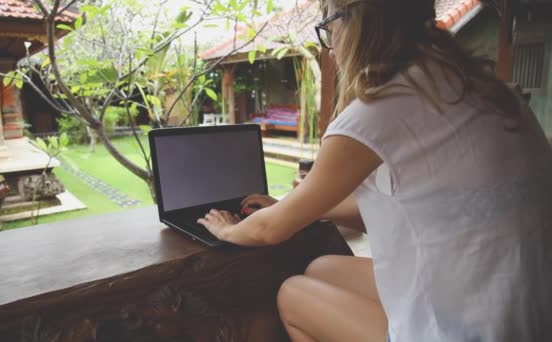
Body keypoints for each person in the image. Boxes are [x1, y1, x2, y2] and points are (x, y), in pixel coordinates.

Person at [197, 0, 552, 340]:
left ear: (355, 23)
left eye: (328, 25)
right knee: (323, 268)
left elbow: (268, 231)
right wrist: (293, 206)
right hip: (517, 313)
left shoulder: (378, 112)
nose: (331, 44)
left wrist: (227, 230)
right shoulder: (478, 90)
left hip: (465, 330)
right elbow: (409, 207)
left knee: (292, 293)